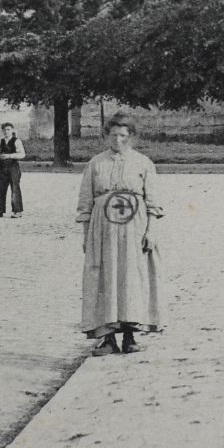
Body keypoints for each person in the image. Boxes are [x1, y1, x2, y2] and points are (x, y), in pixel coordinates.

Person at [75, 112, 162, 355]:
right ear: (106, 137)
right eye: (113, 135)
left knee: (131, 278)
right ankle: (108, 338)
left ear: (131, 137)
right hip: (103, 230)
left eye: (123, 136)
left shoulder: (143, 163)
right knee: (105, 278)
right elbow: (85, 203)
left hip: (135, 229)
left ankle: (131, 336)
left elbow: (153, 201)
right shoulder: (95, 164)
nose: (118, 140)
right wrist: (85, 235)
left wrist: (151, 230)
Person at [0, 122, 25, 217]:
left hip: (13, 168)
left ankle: (17, 211)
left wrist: (10, 155)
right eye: (4, 130)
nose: (6, 132)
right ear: (2, 131)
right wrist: (0, 156)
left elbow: (22, 154)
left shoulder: (17, 141)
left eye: (8, 129)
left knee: (15, 189)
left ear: (12, 130)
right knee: (0, 189)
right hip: (2, 168)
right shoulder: (1, 141)